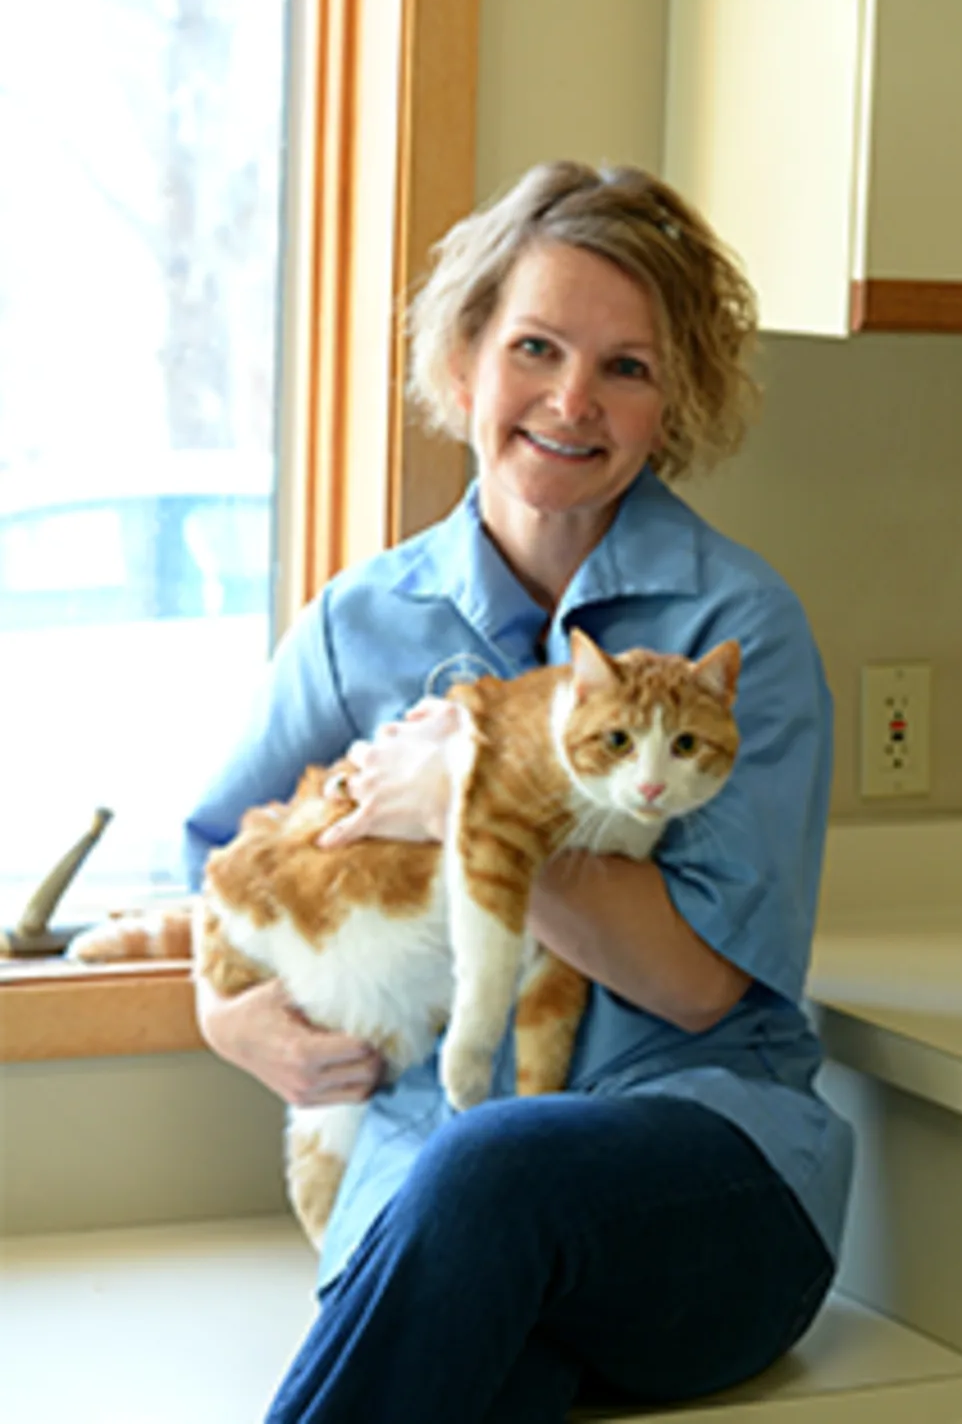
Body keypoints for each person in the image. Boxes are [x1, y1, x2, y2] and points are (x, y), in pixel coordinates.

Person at [185, 160, 854, 1424]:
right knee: (492, 1362)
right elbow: (222, 853)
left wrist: (462, 802)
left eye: (628, 367)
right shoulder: (362, 621)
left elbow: (701, 983)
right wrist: (231, 1019)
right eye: (536, 345)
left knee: (492, 1162)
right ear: (464, 361)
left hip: (709, 1184)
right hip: (431, 1203)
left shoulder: (735, 630)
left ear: (675, 402)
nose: (571, 399)